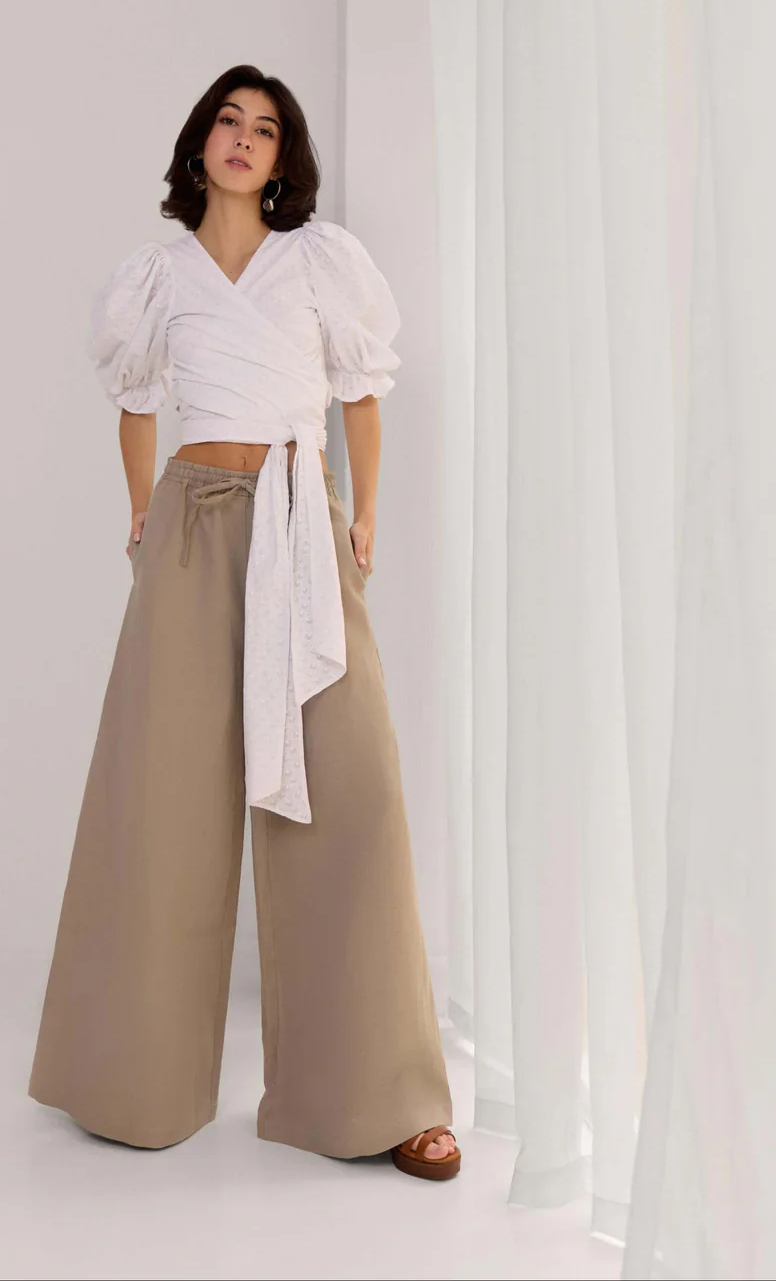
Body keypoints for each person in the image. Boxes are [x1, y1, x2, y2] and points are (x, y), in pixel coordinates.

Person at [27, 64, 460, 1181]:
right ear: (200, 143)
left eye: (264, 129)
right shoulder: (158, 274)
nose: (242, 138)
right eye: (228, 120)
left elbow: (360, 391)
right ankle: (128, 1077)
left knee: (351, 790)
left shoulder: (317, 261)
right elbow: (135, 401)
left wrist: (363, 515)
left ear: (281, 159)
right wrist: (141, 511)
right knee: (159, 796)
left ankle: (381, 1094)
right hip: (189, 528)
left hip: (299, 526)